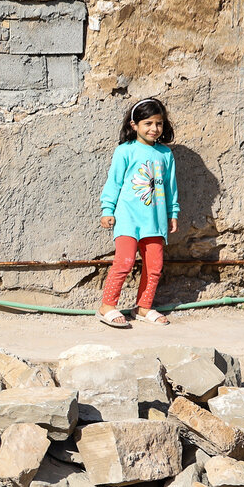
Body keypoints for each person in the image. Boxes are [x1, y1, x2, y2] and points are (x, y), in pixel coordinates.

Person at [96, 97, 179, 328]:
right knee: (123, 262)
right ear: (134, 125)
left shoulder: (165, 155)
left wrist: (173, 213)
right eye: (148, 124)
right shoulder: (125, 151)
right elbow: (114, 183)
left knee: (154, 267)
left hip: (156, 220)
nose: (154, 129)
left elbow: (171, 187)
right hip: (128, 218)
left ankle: (143, 307)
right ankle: (107, 306)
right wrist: (107, 209)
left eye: (159, 124)